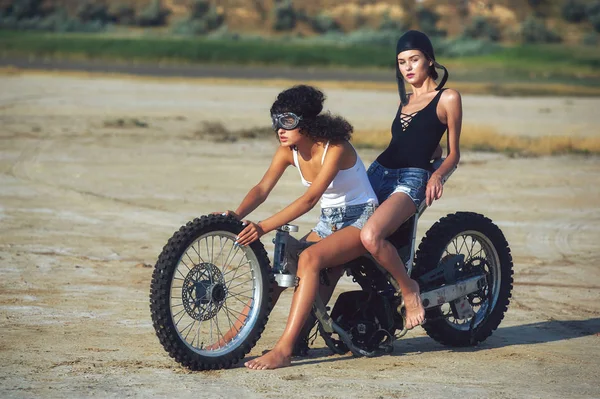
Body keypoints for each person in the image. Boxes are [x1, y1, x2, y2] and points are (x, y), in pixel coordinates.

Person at [217, 85, 379, 369]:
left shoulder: (336, 148)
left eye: (288, 121)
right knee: (281, 268)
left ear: (308, 121)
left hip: (361, 219)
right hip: (330, 221)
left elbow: (310, 199)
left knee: (308, 258)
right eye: (276, 120)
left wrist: (262, 226)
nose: (280, 129)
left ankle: (285, 350)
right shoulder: (287, 151)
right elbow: (262, 188)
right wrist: (236, 214)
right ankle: (233, 340)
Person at [360, 30, 462, 330]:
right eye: (402, 62)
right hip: (379, 171)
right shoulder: (405, 99)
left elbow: (454, 153)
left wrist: (437, 175)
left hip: (413, 178)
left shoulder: (448, 97)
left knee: (371, 235)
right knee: (345, 233)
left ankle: (409, 289)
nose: (407, 67)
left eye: (414, 59)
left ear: (430, 61)